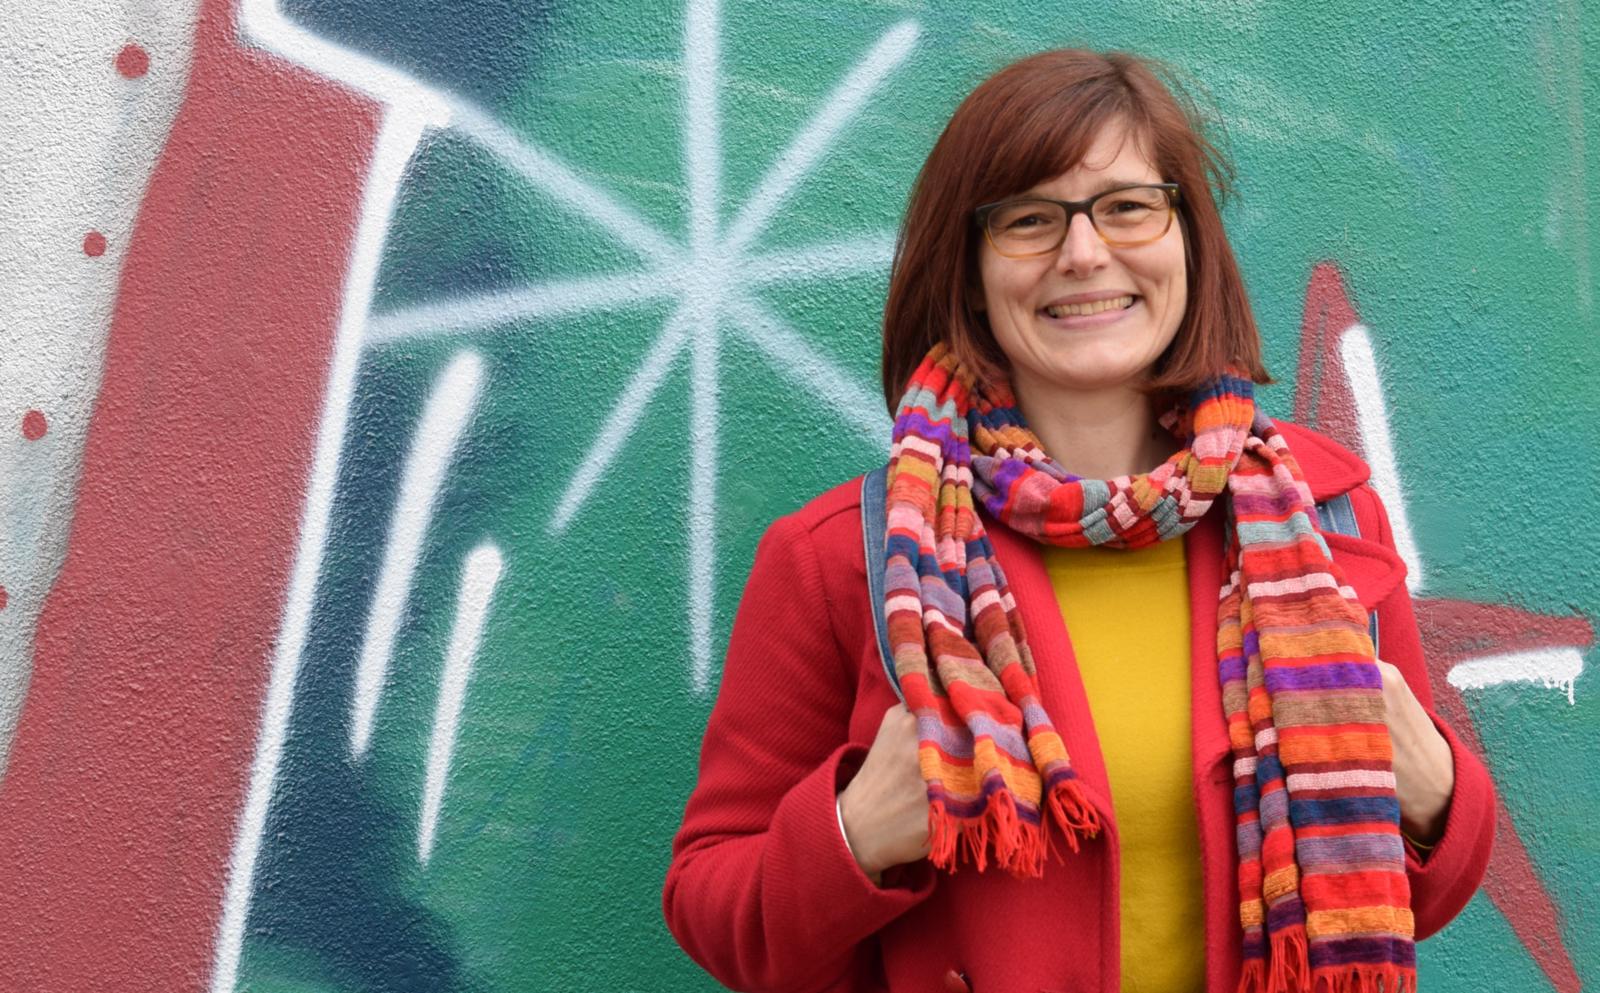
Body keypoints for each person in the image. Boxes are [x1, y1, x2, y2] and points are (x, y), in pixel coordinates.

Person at [662, 49, 1495, 993]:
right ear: (971, 272)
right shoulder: (849, 557)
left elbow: (1398, 899)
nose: (1085, 253)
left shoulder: (1320, 519)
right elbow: (714, 906)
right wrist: (854, 833)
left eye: (1129, 207)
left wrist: (1437, 794)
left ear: (1188, 239)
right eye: (1029, 220)